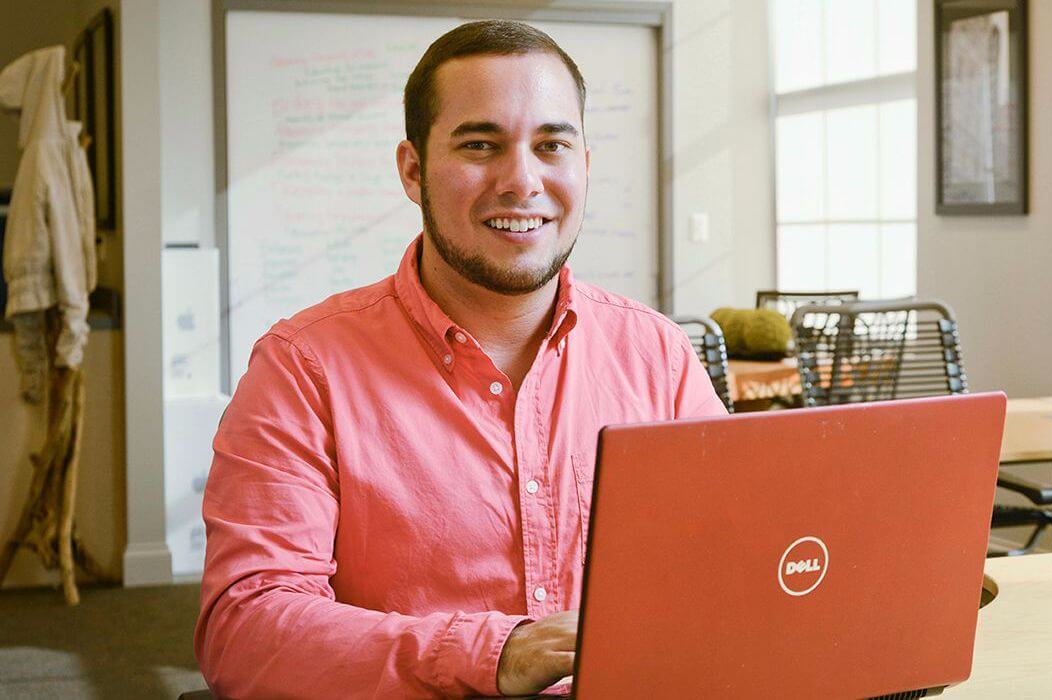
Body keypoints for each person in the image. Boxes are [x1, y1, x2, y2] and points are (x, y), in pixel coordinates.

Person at [194, 20, 727, 698]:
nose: (521, 181)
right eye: (481, 145)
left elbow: (731, 564)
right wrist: (498, 653)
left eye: (551, 145)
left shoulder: (657, 355)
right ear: (413, 170)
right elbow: (246, 628)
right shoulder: (303, 369)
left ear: (584, 165)